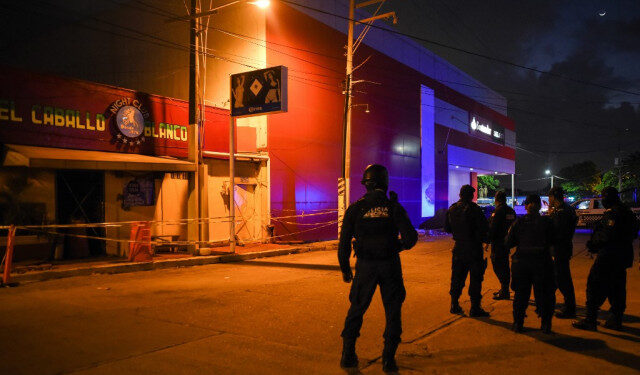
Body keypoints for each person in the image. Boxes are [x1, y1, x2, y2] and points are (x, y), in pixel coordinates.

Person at [338, 164, 418, 372]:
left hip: (365, 266)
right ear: (384, 182)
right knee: (393, 311)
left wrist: (345, 269)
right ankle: (388, 360)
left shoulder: (356, 208)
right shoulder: (394, 207)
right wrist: (396, 246)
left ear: (367, 184)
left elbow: (344, 243)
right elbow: (411, 238)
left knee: (356, 308)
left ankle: (348, 355)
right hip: (390, 265)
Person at [573, 187, 639, 331]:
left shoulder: (614, 214)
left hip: (608, 257)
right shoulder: (628, 213)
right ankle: (615, 320)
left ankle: (591, 320)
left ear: (609, 198)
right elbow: (634, 233)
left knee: (594, 286)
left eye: (603, 197)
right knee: (617, 288)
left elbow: (607, 235)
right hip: (622, 257)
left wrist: (594, 245)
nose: (602, 201)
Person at [505, 194, 556, 333]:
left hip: (522, 263)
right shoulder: (547, 222)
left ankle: (518, 323)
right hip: (542, 262)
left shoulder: (519, 223)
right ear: (539, 206)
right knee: (545, 295)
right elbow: (554, 242)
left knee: (521, 295)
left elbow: (508, 243)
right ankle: (545, 325)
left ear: (526, 206)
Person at [445, 184, 491, 317]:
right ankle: (475, 308)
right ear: (471, 196)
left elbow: (447, 229)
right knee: (476, 278)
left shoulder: (452, 209)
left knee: (457, 277)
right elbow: (484, 228)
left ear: (460, 195)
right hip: (474, 248)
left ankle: (454, 304)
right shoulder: (474, 209)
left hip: (459, 247)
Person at [547, 186, 578, 318]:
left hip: (560, 249)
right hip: (561, 248)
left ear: (554, 197)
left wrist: (551, 217)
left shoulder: (562, 212)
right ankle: (549, 302)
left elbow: (557, 232)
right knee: (555, 277)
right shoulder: (565, 209)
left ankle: (570, 308)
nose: (549, 199)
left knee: (563, 279)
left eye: (550, 197)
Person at [489, 190, 517, 300]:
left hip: (498, 243)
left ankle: (505, 290)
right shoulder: (511, 211)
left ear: (497, 199)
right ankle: (504, 289)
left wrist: (487, 240)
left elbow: (493, 228)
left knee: (498, 266)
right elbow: (514, 226)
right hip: (507, 243)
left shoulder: (498, 211)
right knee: (504, 265)